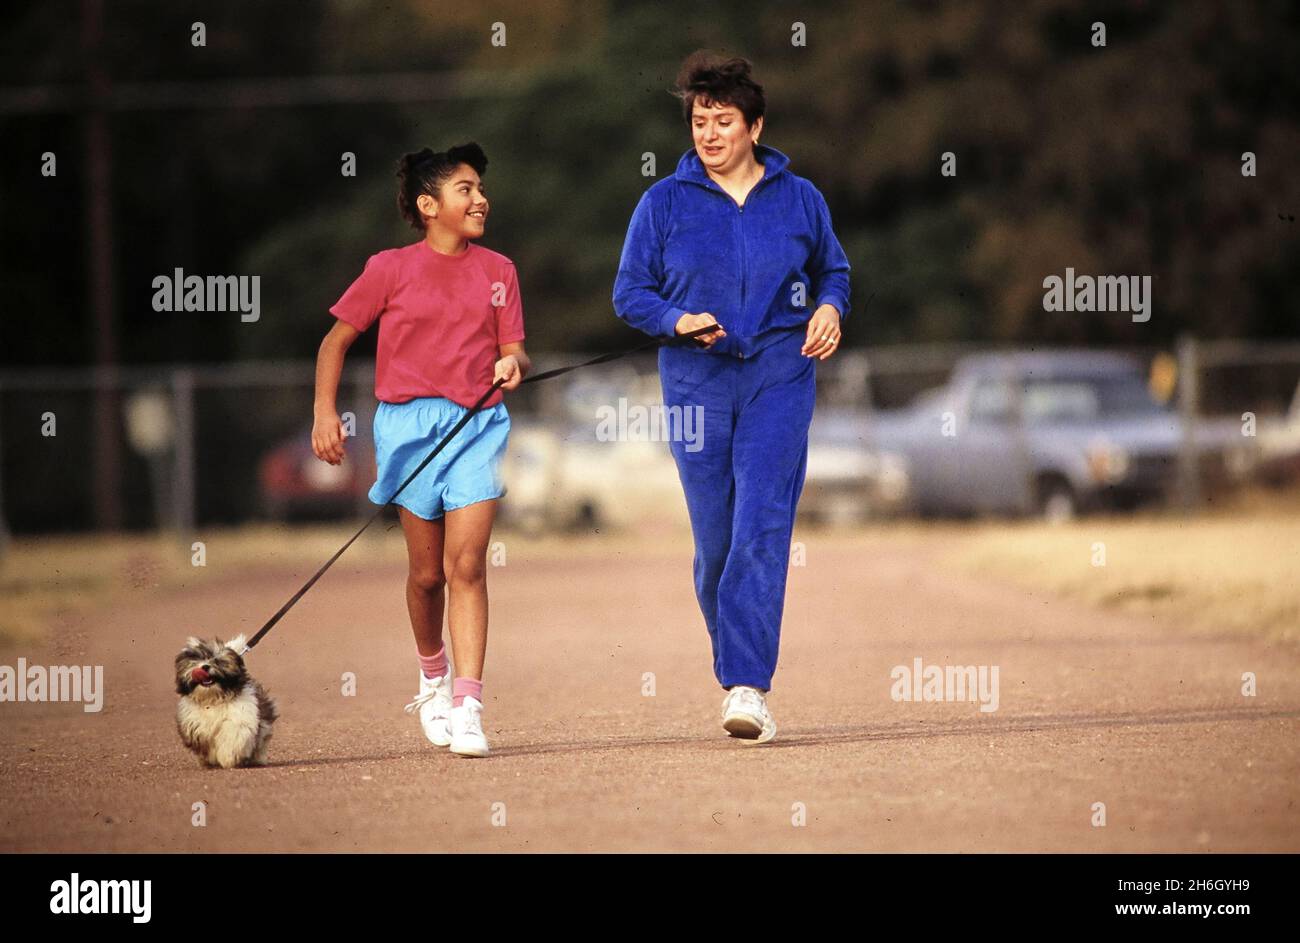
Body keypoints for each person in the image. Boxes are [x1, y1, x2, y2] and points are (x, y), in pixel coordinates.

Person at [613, 51, 851, 743]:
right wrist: (675, 320)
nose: (708, 134)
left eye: (722, 121)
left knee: (761, 524)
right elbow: (630, 292)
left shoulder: (800, 197)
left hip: (781, 371)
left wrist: (830, 308)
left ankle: (747, 685)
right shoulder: (662, 203)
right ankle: (738, 663)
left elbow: (832, 268)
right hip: (694, 381)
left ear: (756, 126)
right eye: (698, 121)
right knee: (715, 543)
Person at [312, 142, 530, 758]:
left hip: (478, 424)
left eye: (480, 187)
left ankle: (468, 704)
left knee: (468, 567)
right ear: (428, 204)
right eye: (466, 188)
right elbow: (335, 343)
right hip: (407, 430)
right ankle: (432, 676)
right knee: (427, 574)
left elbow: (516, 347)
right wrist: (325, 414)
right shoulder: (388, 268)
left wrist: (512, 363)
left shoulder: (500, 272)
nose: (481, 197)